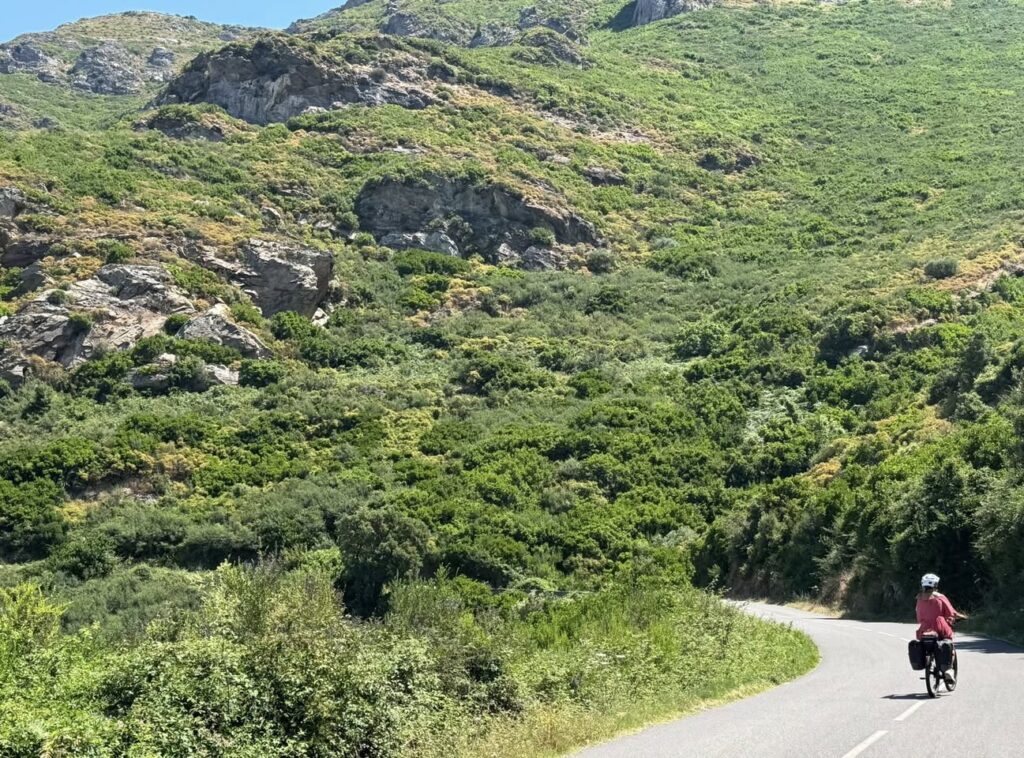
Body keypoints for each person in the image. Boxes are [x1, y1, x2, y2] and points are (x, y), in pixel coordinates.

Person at [915, 573, 967, 684]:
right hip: (940, 626)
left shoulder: (919, 598)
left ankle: (929, 661)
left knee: (925, 644)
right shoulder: (940, 597)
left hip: (924, 629)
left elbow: (919, 618)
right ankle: (948, 670)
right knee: (949, 643)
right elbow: (951, 612)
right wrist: (964, 617)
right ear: (935, 584)